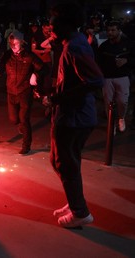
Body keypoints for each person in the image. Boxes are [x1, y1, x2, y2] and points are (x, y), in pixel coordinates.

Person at [45, 3, 105, 228]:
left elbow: (95, 80)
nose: (49, 26)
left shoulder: (75, 47)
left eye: (53, 22)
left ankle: (80, 212)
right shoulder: (72, 43)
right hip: (70, 116)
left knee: (66, 164)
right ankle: (74, 202)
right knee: (59, 161)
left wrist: (59, 99)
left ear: (64, 23)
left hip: (74, 118)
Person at [0, 31, 46, 154]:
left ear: (21, 42)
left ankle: (26, 145)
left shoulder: (29, 56)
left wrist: (35, 75)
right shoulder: (7, 55)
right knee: (14, 119)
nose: (13, 46)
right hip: (11, 91)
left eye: (15, 43)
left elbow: (43, 68)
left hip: (24, 92)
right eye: (10, 44)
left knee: (24, 119)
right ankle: (20, 124)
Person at [96, 20, 135, 133]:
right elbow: (98, 61)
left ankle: (121, 118)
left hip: (122, 76)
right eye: (108, 30)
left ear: (119, 31)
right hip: (107, 78)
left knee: (122, 101)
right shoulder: (104, 46)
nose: (110, 33)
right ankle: (111, 124)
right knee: (108, 102)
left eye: (113, 30)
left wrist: (126, 61)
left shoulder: (128, 44)